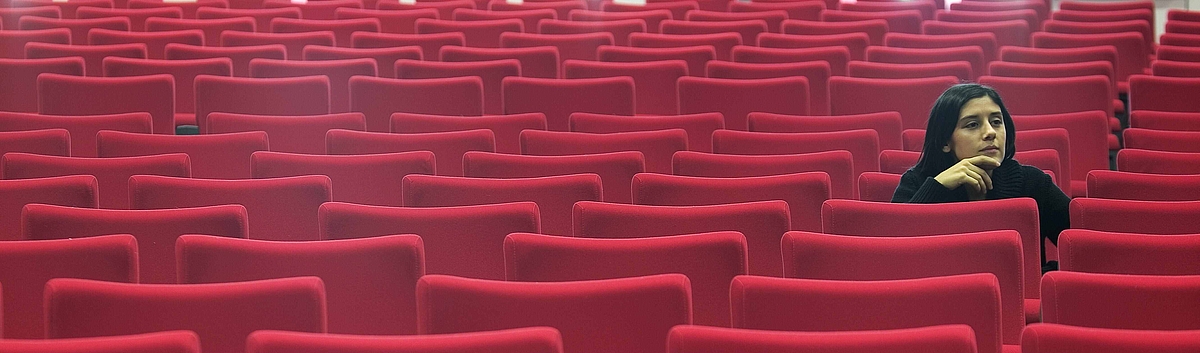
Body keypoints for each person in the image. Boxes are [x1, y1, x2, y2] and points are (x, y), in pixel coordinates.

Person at [892, 83, 1070, 272]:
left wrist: (1042, 275)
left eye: (996, 122)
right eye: (973, 125)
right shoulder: (916, 182)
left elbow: (1086, 249)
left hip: (1019, 299)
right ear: (945, 141)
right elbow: (891, 254)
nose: (990, 133)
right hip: (938, 297)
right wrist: (938, 187)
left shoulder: (1032, 182)